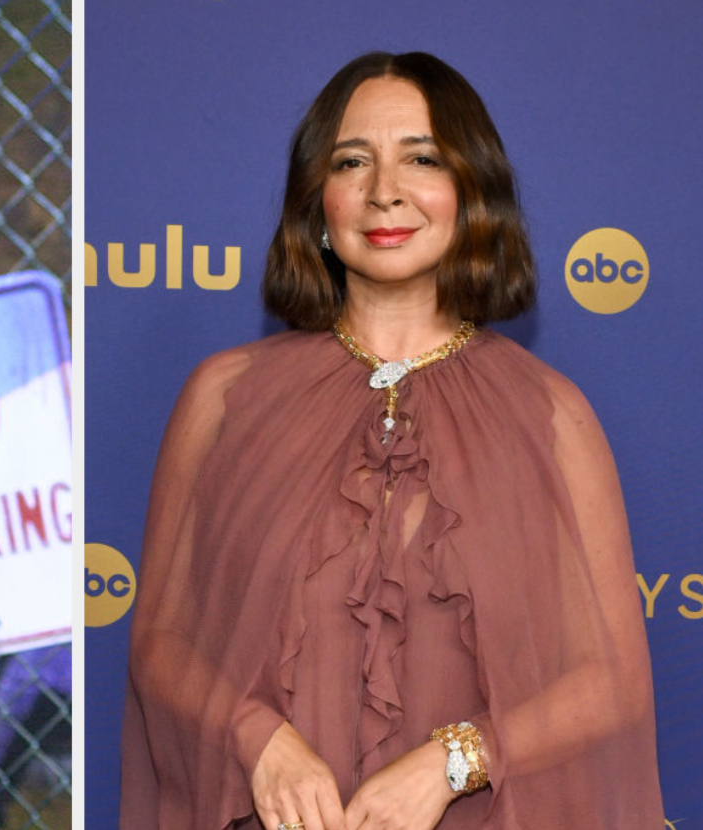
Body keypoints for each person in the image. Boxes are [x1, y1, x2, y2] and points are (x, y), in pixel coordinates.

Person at [120, 52, 663, 830]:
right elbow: (159, 643)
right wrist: (259, 742)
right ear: (318, 203)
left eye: (422, 158)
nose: (384, 192)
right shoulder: (224, 397)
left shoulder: (552, 415)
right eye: (352, 162)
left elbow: (612, 680)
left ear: (472, 189)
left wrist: (454, 762)